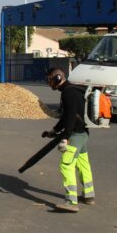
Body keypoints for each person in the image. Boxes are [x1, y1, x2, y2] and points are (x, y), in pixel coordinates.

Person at [43, 67, 95, 213]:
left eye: (49, 79)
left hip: (75, 135)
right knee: (83, 163)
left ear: (57, 78)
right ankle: (89, 195)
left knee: (66, 164)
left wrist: (65, 138)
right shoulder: (72, 90)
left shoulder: (68, 93)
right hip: (82, 133)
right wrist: (53, 131)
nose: (49, 83)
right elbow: (66, 117)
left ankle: (71, 201)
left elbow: (71, 117)